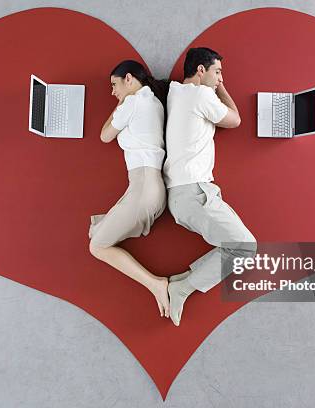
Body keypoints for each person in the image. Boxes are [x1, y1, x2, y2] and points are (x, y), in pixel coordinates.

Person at [163, 47, 257, 326]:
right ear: (201, 71)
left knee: (239, 246)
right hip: (194, 192)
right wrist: (221, 89)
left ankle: (182, 280)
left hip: (184, 195)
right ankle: (183, 287)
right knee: (244, 248)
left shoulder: (175, 92)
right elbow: (235, 120)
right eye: (217, 72)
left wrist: (214, 82)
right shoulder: (201, 94)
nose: (220, 79)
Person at [88, 60, 171, 318]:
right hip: (149, 187)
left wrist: (122, 101)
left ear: (129, 78)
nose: (113, 92)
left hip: (144, 187)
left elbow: (104, 135)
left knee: (97, 246)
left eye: (115, 85)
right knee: (97, 236)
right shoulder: (154, 102)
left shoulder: (134, 102)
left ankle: (156, 284)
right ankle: (156, 284)